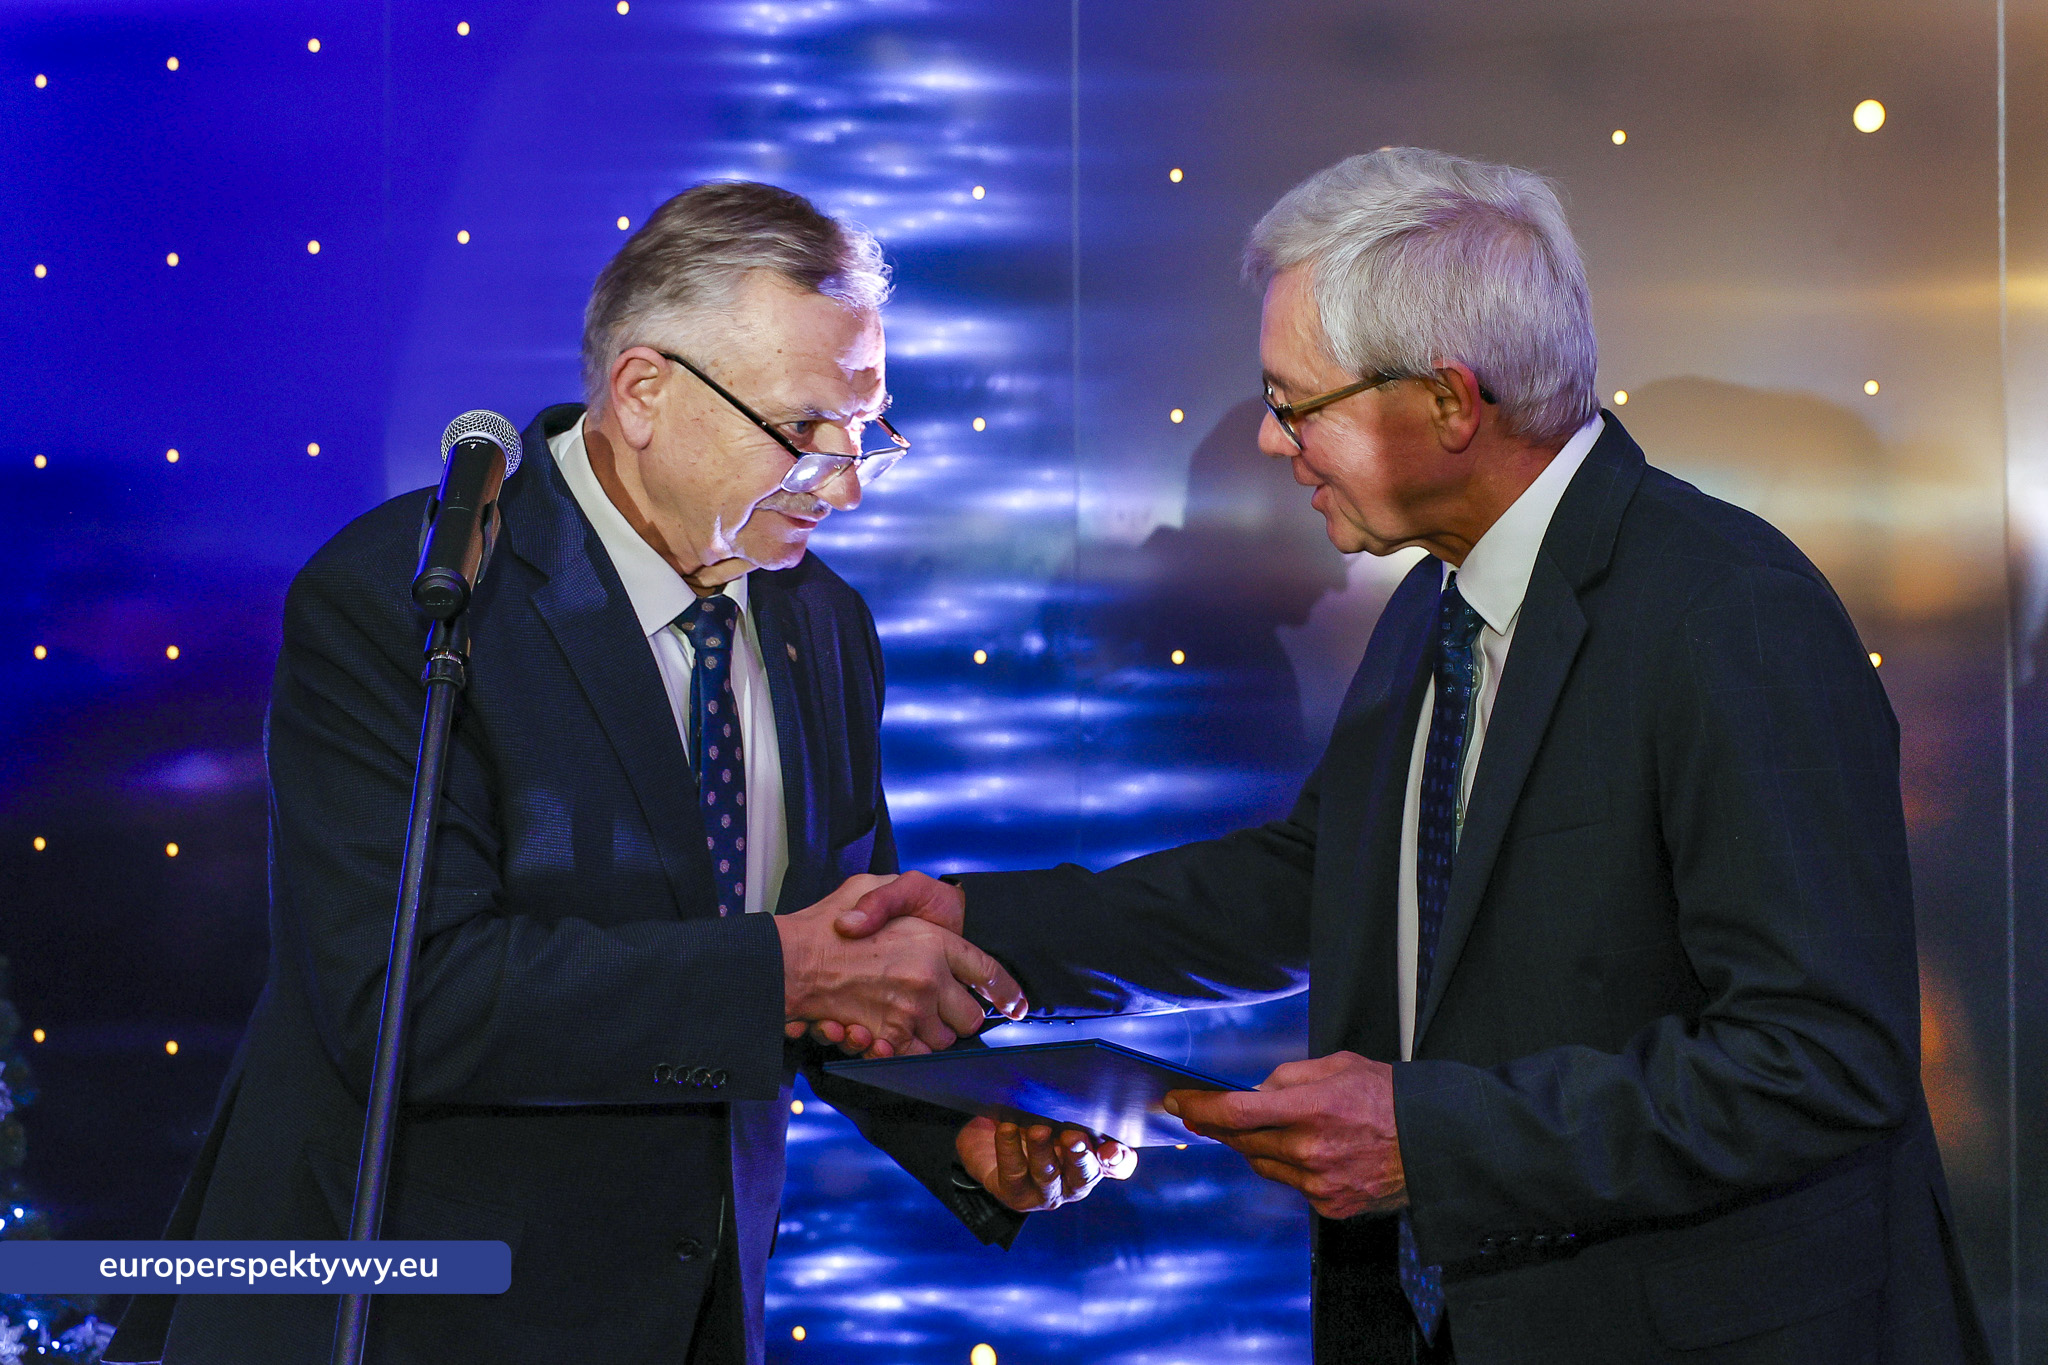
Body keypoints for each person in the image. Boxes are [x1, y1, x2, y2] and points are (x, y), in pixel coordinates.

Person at [829, 150, 1993, 1363]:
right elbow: (1315, 883)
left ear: (1448, 401)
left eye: (1296, 404)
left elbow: (1820, 1060)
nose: (1275, 445)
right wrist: (976, 928)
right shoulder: (1432, 601)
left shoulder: (1725, 612)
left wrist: (1427, 1140)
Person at [105, 182, 1129, 1365]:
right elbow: (409, 1001)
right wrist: (784, 973)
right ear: (644, 393)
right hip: (418, 1316)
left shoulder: (822, 620)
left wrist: (956, 1126)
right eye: (807, 433)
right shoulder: (414, 599)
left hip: (695, 1315)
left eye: (869, 435)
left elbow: (833, 955)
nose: (845, 487)